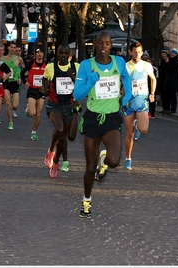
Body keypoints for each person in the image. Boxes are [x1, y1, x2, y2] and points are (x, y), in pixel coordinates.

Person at [73, 32, 132, 218]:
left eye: (107, 43)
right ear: (95, 45)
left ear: (111, 45)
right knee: (90, 168)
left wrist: (128, 94)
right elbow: (77, 95)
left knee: (114, 161)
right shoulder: (86, 66)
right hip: (92, 118)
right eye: (100, 43)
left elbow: (126, 77)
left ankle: (103, 161)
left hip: (112, 117)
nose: (104, 46)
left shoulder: (119, 62)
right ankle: (86, 200)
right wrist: (91, 81)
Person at [42, 44, 80, 178]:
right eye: (60, 53)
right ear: (57, 54)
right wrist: (45, 89)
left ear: (70, 55)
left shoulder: (76, 67)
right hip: (55, 105)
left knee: (68, 137)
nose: (63, 55)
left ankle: (56, 163)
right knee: (59, 129)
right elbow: (45, 80)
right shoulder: (51, 67)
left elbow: (82, 85)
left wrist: (73, 78)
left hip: (70, 106)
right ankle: (51, 151)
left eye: (65, 53)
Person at [121, 41, 156, 170]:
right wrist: (121, 89)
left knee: (144, 130)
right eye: (135, 51)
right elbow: (120, 81)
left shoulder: (147, 66)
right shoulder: (126, 66)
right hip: (129, 101)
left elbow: (153, 79)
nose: (137, 54)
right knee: (129, 133)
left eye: (139, 51)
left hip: (142, 101)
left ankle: (138, 126)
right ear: (130, 52)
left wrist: (152, 93)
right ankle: (128, 159)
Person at [20, 48, 47, 141]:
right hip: (32, 90)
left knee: (38, 114)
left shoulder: (46, 65)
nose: (39, 54)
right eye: (38, 53)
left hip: (41, 91)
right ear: (35, 54)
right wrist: (25, 82)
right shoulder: (31, 63)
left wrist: (46, 87)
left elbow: (50, 77)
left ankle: (34, 132)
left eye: (41, 52)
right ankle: (29, 108)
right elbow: (22, 73)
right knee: (32, 113)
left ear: (43, 54)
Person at [1, 42, 23, 130]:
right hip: (6, 82)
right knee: (8, 103)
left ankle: (12, 108)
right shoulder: (2, 58)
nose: (13, 49)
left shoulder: (18, 59)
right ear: (8, 48)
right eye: (12, 47)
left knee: (15, 105)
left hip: (14, 83)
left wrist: (20, 77)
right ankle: (10, 122)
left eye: (15, 47)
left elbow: (24, 69)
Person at [159, 48, 178, 114]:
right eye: (171, 52)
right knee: (165, 95)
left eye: (174, 53)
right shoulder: (169, 60)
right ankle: (166, 108)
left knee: (172, 95)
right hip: (167, 80)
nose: (172, 54)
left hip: (173, 81)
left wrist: (167, 63)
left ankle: (173, 109)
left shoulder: (177, 61)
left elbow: (172, 68)